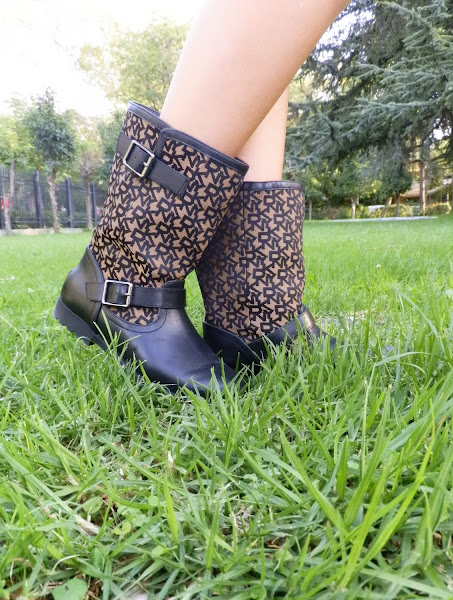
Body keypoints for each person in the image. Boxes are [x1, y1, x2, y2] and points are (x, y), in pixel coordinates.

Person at [53, 0, 350, 395]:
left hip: (256, 315)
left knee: (282, 44)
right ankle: (124, 281)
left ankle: (257, 313)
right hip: (122, 288)